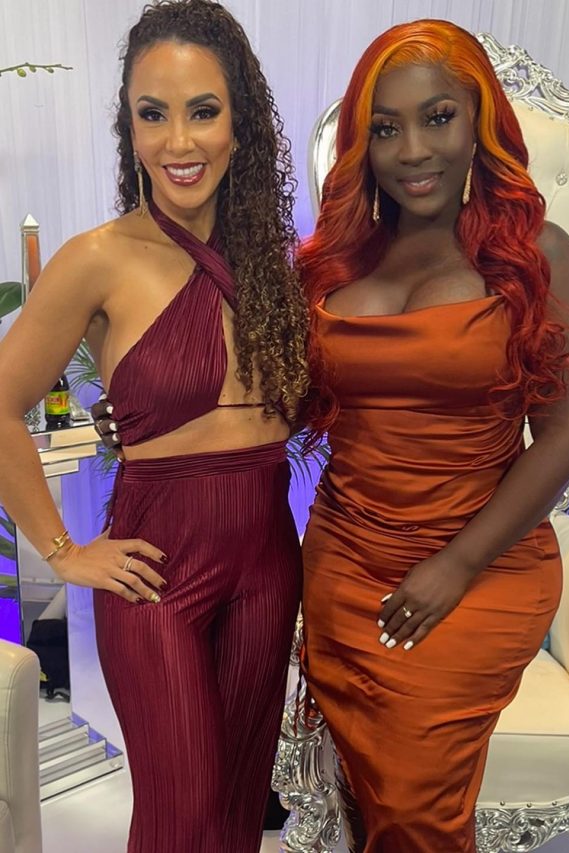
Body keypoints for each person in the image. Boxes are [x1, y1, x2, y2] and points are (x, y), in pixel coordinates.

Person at [0, 1, 309, 851]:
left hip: (268, 561)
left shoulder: (273, 263)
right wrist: (64, 551)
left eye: (203, 111)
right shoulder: (96, 258)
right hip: (155, 572)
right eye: (152, 113)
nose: (179, 141)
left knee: (237, 815)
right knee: (182, 819)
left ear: (240, 126)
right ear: (127, 128)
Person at [296, 19, 569, 853]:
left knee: (414, 807)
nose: (413, 151)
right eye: (385, 128)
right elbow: (273, 401)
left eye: (438, 118)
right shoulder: (332, 264)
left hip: (480, 568)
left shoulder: (536, 255)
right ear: (362, 145)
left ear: (479, 123)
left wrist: (456, 564)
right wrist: (143, 408)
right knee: (373, 802)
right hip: (344, 564)